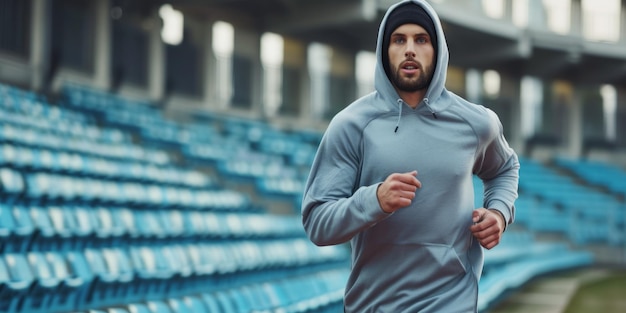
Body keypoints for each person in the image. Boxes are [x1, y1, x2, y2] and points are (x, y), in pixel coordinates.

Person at [301, 0, 520, 312]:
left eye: (421, 39)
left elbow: (505, 168)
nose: (409, 50)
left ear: (438, 49)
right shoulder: (351, 125)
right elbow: (318, 224)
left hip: (451, 300)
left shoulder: (476, 123)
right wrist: (374, 200)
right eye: (398, 40)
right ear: (384, 50)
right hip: (374, 303)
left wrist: (498, 213)